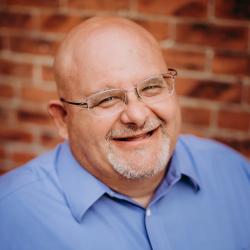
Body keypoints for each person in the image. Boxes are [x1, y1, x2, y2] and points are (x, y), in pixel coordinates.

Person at [0, 16, 249, 250]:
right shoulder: (10, 214)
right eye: (107, 99)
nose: (137, 116)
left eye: (151, 86)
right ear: (63, 119)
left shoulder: (234, 174)